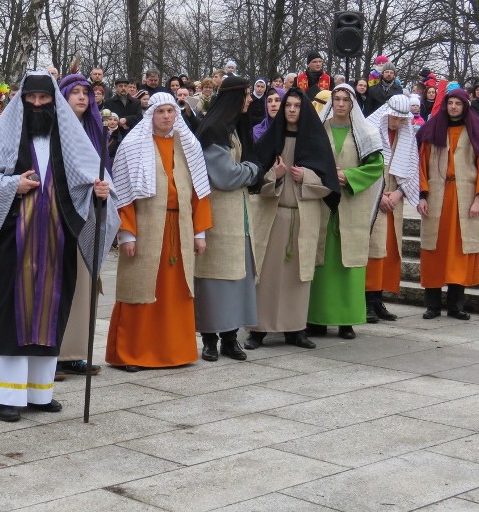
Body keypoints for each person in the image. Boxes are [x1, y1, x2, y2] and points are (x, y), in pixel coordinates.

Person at [0, 71, 119, 422]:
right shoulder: (4, 137)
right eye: (31, 99)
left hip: (56, 243)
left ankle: (38, 391)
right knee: (9, 316)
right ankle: (4, 395)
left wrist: (99, 194)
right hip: (12, 244)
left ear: (54, 103)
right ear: (22, 101)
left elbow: (90, 184)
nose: (37, 104)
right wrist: (9, 185)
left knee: (52, 313)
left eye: (44, 99)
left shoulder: (71, 141)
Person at [107, 92, 212, 371]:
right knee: (140, 287)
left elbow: (199, 191)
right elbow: (123, 193)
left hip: (180, 228)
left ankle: (176, 351)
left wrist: (199, 232)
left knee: (177, 293)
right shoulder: (133, 146)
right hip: (146, 227)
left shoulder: (188, 146)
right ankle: (132, 353)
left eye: (171, 111)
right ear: (150, 115)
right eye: (160, 111)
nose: (166, 116)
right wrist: (127, 233)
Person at [246, 88, 340, 350]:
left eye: (297, 106)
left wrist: (306, 177)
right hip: (273, 214)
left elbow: (329, 184)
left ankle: (295, 330)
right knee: (266, 274)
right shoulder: (269, 140)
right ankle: (258, 329)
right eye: (288, 105)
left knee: (298, 276)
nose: (291, 110)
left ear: (304, 110)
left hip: (303, 215)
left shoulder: (315, 141)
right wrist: (274, 176)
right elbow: (254, 180)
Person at [193, 76, 264, 362]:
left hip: (239, 215)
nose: (249, 100)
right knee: (213, 277)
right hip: (218, 214)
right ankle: (210, 339)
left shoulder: (233, 129)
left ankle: (230, 338)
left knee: (237, 276)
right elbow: (226, 176)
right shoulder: (213, 130)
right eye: (246, 95)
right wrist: (254, 170)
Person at [308, 85, 384, 339]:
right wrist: (325, 177)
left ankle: (346, 320)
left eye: (345, 100)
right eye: (336, 99)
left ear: (352, 104)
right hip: (322, 202)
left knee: (348, 260)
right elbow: (308, 160)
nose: (340, 104)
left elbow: (375, 167)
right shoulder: (319, 130)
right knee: (322, 259)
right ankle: (317, 318)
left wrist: (348, 176)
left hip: (351, 203)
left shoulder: (365, 133)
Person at [416, 88, 479, 320]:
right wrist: (422, 195)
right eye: (450, 102)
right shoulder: (431, 131)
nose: (453, 107)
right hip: (436, 197)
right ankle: (432, 305)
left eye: (458, 104)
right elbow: (420, 166)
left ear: (464, 106)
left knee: (459, 252)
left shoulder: (476, 133)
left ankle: (456, 305)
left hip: (464, 199)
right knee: (434, 251)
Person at [57, 72, 109, 377]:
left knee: (84, 284)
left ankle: (75, 352)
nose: (81, 97)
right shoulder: (55, 131)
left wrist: (102, 191)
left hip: (87, 214)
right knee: (60, 283)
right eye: (74, 91)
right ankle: (51, 353)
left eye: (85, 92)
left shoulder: (92, 130)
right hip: (60, 216)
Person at [364, 95, 420, 323]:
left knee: (389, 250)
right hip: (372, 200)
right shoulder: (370, 132)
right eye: (393, 117)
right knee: (372, 250)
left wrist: (398, 193)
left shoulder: (407, 136)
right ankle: (365, 299)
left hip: (394, 200)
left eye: (400, 119)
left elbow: (411, 168)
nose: (396, 123)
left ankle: (378, 299)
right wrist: (379, 196)